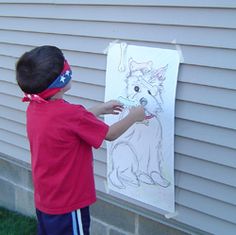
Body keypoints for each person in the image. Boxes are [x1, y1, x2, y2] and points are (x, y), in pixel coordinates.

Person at [16, 45, 145, 235]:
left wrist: (100, 109)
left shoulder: (36, 107)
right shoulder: (70, 114)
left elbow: (67, 125)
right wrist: (135, 116)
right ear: (62, 79)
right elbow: (109, 134)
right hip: (68, 203)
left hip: (46, 198)